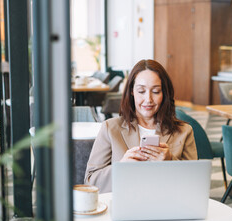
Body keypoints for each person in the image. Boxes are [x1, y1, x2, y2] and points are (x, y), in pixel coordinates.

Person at [84, 59, 197, 193]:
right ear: (132, 91)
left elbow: (195, 184)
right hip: (125, 206)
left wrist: (170, 162)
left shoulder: (184, 131)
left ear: (164, 94)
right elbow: (91, 181)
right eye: (141, 91)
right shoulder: (110, 128)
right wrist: (122, 167)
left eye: (155, 91)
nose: (148, 99)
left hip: (168, 207)